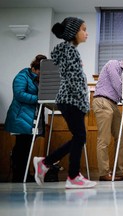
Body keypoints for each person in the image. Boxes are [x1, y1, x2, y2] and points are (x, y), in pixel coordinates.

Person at [33, 17, 96, 189]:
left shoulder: (67, 51)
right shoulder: (71, 52)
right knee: (80, 137)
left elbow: (72, 77)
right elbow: (75, 81)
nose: (86, 33)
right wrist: (84, 105)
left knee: (78, 138)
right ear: (73, 32)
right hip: (72, 101)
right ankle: (72, 176)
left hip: (66, 101)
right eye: (83, 29)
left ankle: (45, 163)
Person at [92, 56, 123, 181]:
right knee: (104, 139)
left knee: (121, 136)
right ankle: (104, 173)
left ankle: (121, 171)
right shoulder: (113, 64)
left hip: (113, 103)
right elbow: (117, 85)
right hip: (102, 101)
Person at [4, 54, 47, 182]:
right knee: (21, 147)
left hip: (30, 117)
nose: (41, 74)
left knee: (27, 147)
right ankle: (19, 176)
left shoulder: (38, 79)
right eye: (40, 71)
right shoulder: (23, 75)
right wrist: (38, 99)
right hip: (20, 116)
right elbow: (19, 94)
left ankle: (24, 175)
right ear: (34, 68)